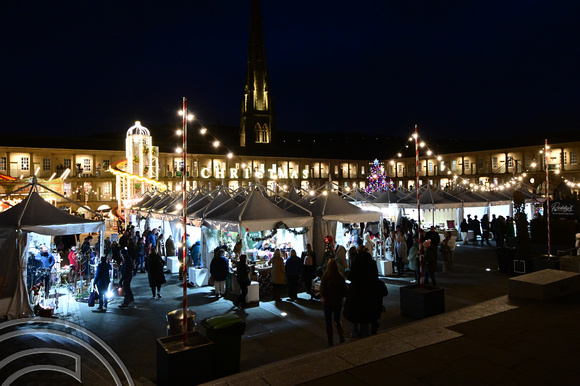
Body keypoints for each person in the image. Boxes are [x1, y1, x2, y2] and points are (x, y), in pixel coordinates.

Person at [343, 245, 378, 339]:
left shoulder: (356, 261)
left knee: (354, 316)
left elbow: (352, 276)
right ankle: (365, 335)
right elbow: (375, 277)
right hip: (368, 292)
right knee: (365, 318)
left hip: (356, 293)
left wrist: (347, 274)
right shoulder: (371, 262)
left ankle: (354, 334)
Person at [319, 258, 347, 346]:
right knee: (337, 319)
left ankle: (330, 341)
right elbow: (345, 290)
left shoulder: (326, 276)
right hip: (338, 301)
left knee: (328, 321)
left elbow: (322, 289)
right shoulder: (340, 276)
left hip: (328, 301)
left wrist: (323, 297)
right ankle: (341, 336)